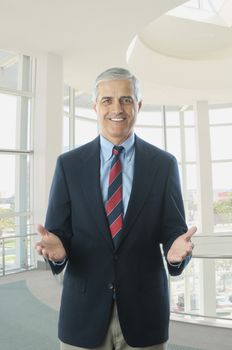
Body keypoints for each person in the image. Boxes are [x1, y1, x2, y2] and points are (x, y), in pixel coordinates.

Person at [36, 67, 196, 350]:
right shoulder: (69, 165)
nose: (117, 108)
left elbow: (173, 232)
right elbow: (58, 235)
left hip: (144, 313)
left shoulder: (163, 165)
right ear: (95, 106)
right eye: (107, 100)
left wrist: (174, 255)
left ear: (139, 105)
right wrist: (58, 253)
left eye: (126, 99)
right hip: (82, 313)